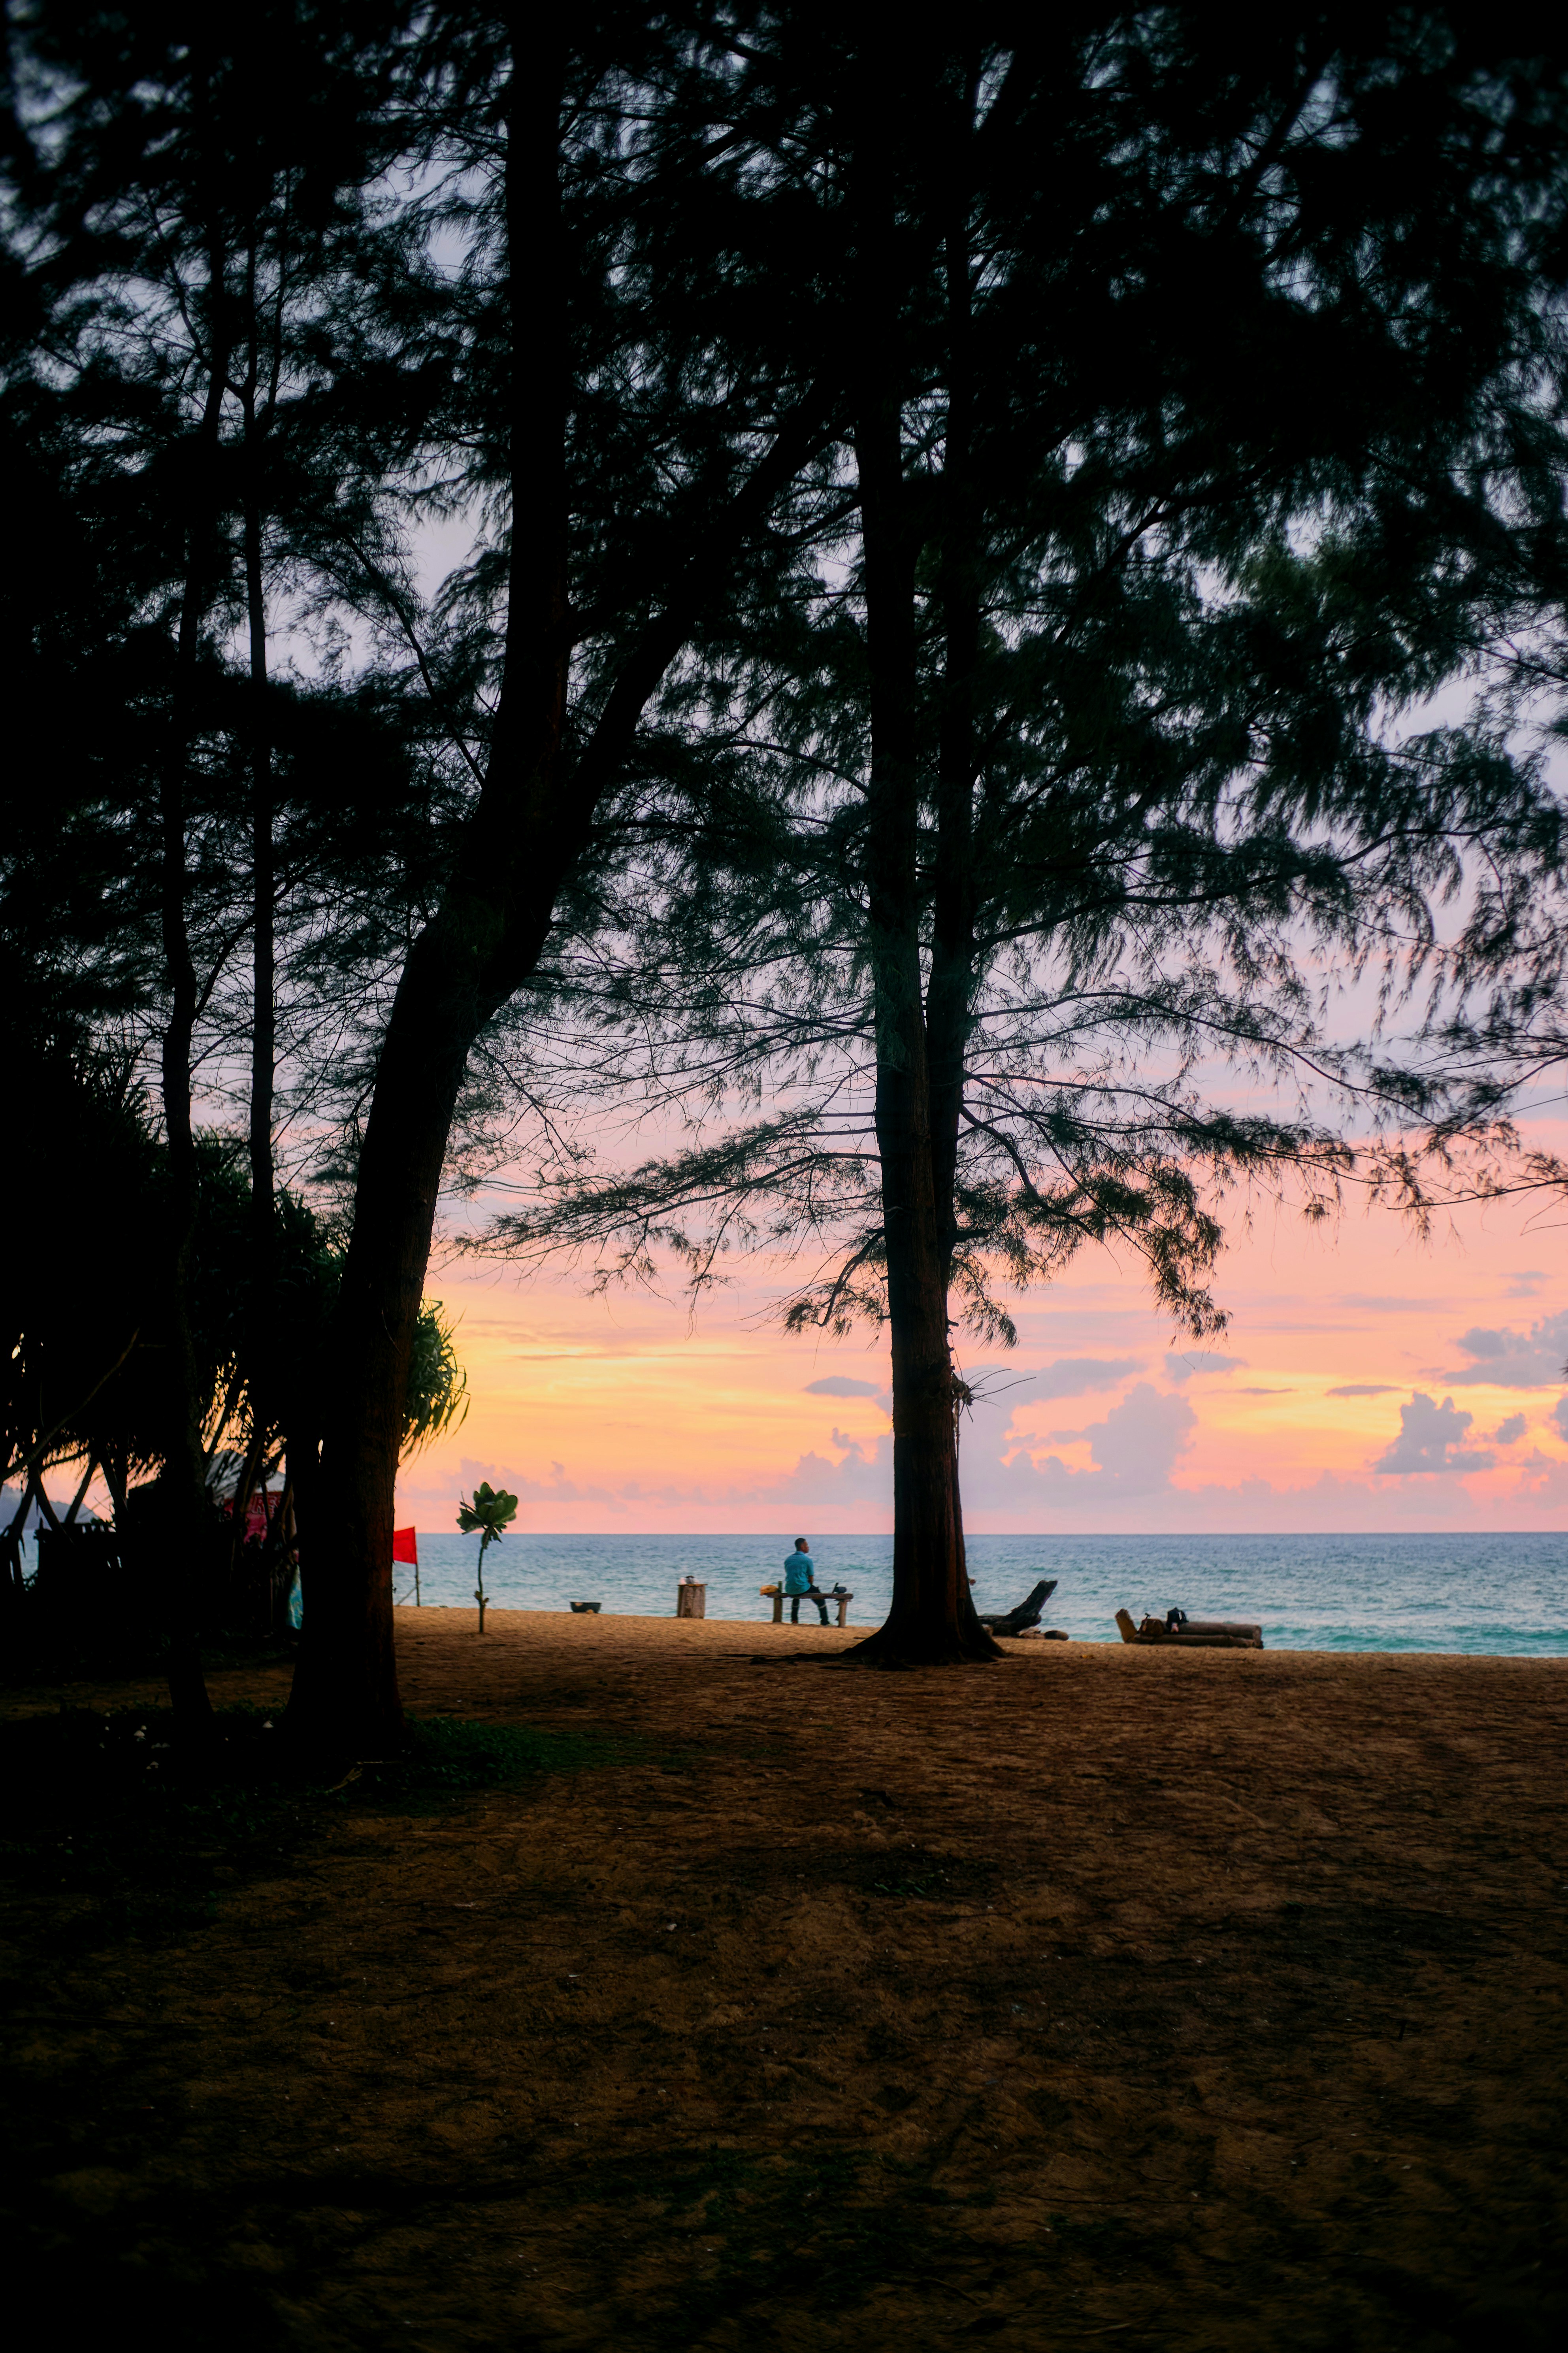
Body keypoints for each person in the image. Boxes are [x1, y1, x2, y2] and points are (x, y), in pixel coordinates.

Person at [784, 1536, 829, 1625]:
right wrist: (810, 1586)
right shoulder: (807, 1560)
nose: (808, 1547)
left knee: (796, 1594)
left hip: (789, 1588)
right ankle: (825, 1622)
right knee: (821, 1598)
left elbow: (791, 1575)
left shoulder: (788, 1560)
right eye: (807, 1545)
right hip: (801, 1588)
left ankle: (794, 1620)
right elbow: (811, 1578)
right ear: (803, 1547)